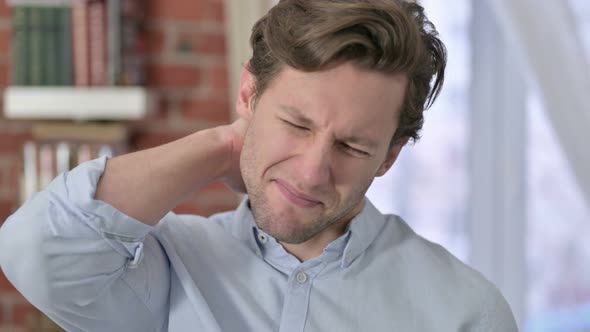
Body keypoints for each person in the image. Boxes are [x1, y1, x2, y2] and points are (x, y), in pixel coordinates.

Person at [0, 0, 518, 331]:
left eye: (353, 147)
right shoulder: (167, 271)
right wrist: (222, 146)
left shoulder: (465, 313)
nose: (313, 171)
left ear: (389, 157)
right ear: (248, 93)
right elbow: (34, 250)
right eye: (295, 125)